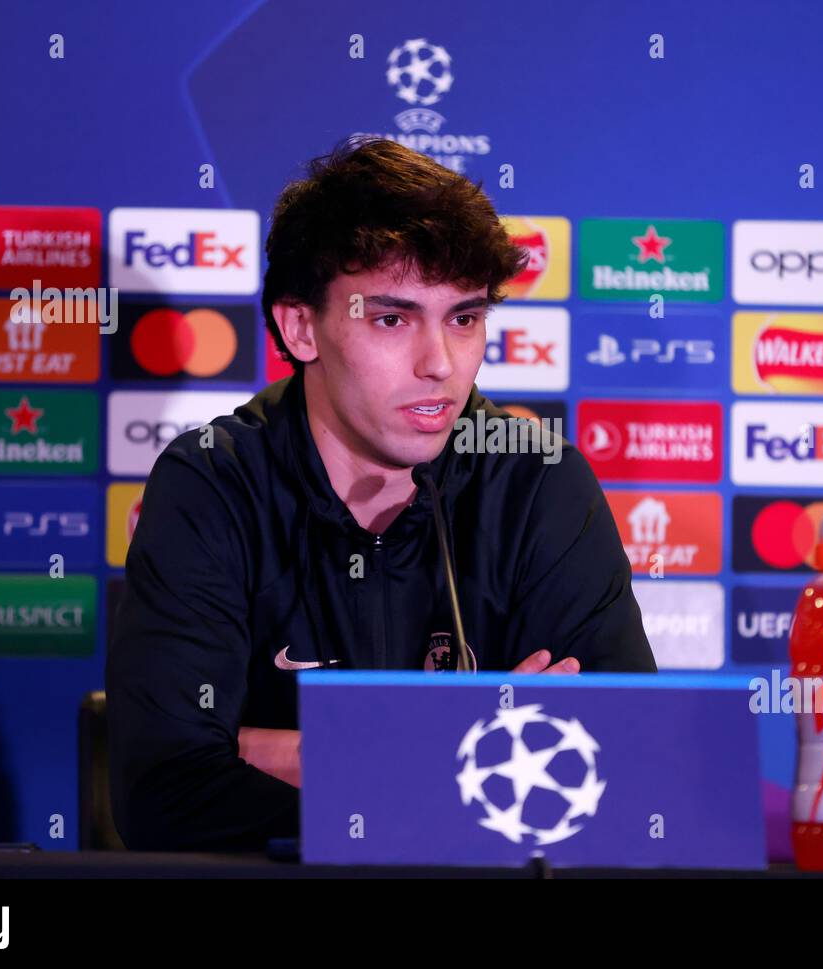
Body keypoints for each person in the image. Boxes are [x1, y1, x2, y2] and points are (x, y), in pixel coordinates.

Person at [106, 136, 657, 852]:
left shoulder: (537, 481)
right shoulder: (214, 484)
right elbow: (166, 793)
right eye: (392, 319)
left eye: (464, 318)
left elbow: (631, 768)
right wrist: (472, 756)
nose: (441, 365)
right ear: (301, 326)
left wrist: (294, 753)